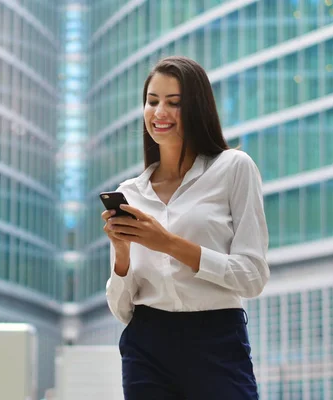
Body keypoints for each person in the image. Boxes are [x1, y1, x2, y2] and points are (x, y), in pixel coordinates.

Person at [101, 56, 269, 399]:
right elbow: (122, 310)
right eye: (152, 101)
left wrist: (167, 243)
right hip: (147, 343)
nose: (159, 112)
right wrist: (122, 254)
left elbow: (252, 277)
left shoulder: (234, 168)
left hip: (216, 338)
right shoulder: (130, 192)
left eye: (173, 103)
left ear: (196, 108)